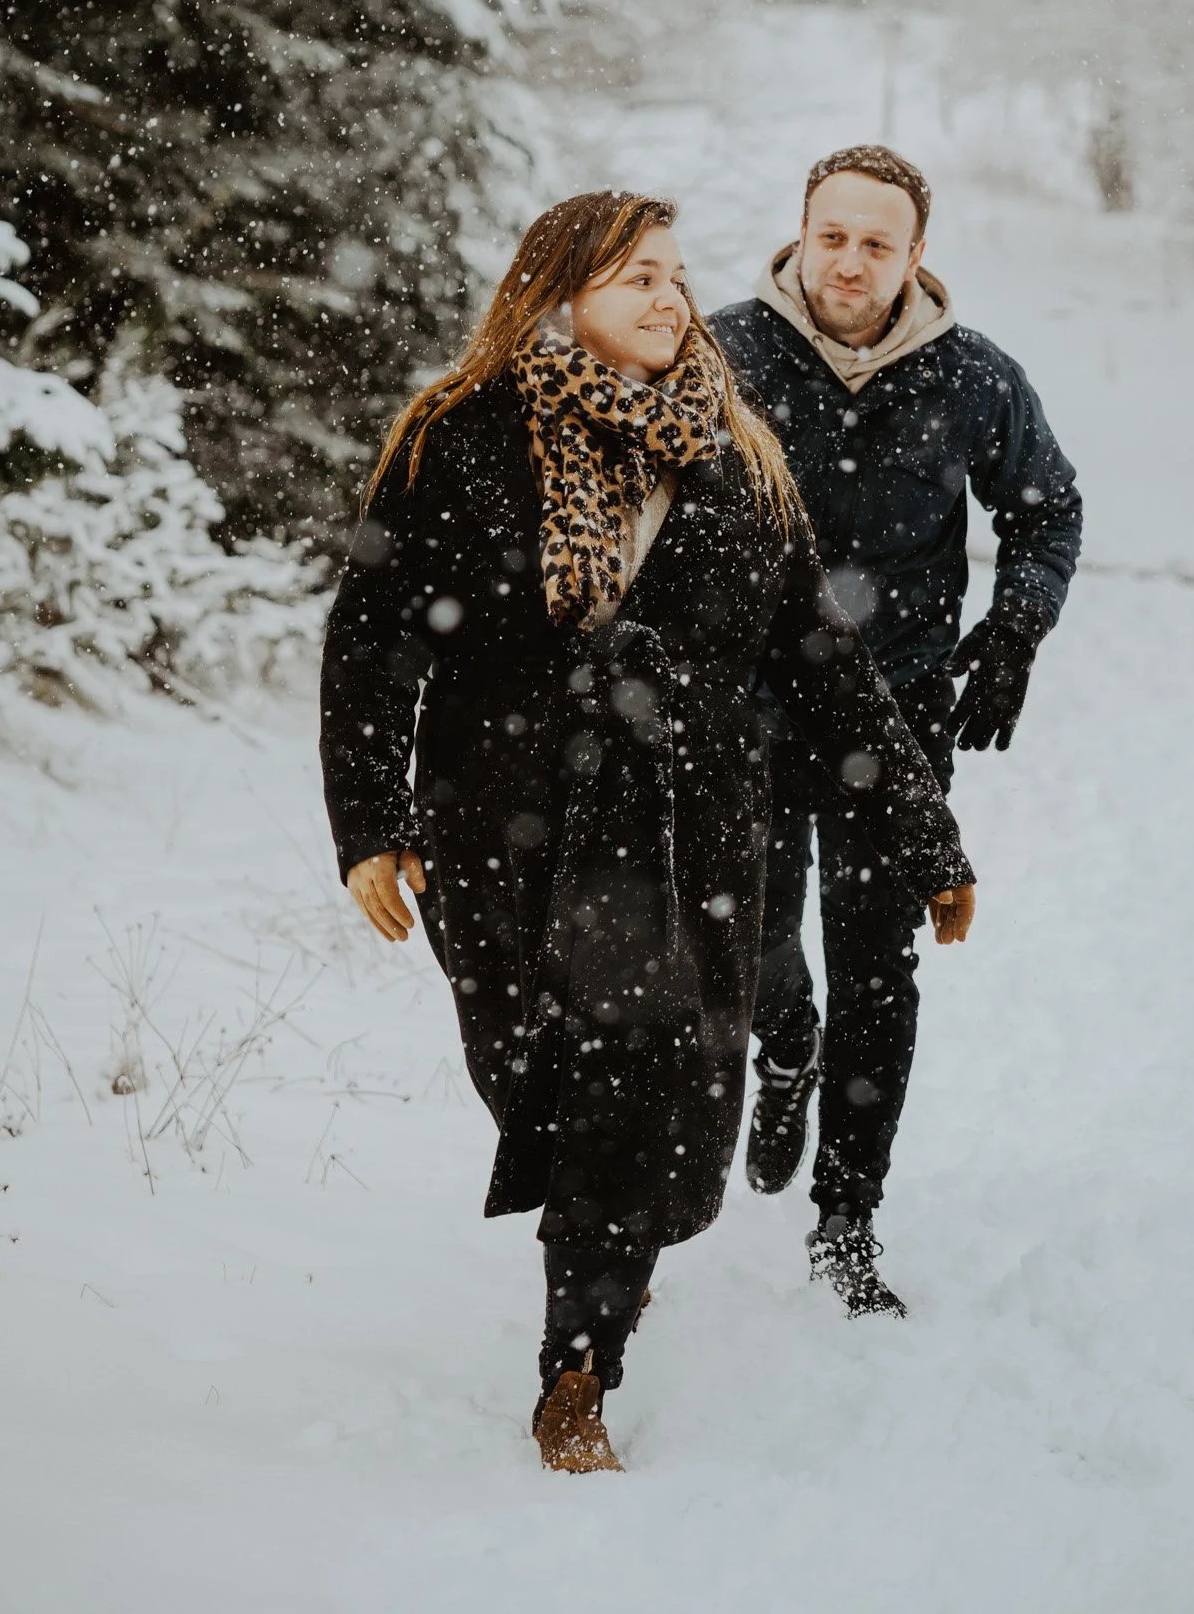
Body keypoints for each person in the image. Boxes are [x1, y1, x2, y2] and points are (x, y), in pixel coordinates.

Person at [319, 189, 976, 1473]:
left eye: (675, 274)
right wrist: (370, 821)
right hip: (499, 822)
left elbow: (824, 659)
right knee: (534, 1074)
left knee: (631, 1081)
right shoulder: (461, 435)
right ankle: (606, 1232)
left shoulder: (737, 452)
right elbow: (372, 637)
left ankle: (578, 1366)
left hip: (685, 835)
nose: (671, 299)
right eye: (636, 277)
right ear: (560, 294)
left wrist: (924, 832)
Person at [710, 146, 1081, 1317]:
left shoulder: (973, 376)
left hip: (900, 708)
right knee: (753, 937)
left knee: (878, 965)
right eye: (834, 236)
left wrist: (1016, 628)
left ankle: (846, 1221)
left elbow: (1048, 510)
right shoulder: (722, 356)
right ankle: (785, 1040)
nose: (851, 262)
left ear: (916, 253)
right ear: (800, 234)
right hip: (751, 709)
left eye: (878, 242)